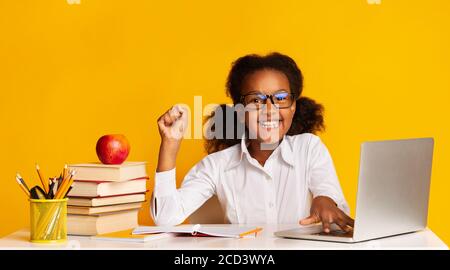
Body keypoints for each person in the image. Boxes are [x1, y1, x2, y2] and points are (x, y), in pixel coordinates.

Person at [152, 52, 354, 233]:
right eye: (256, 100)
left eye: (281, 97)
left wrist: (325, 201)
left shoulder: (309, 148)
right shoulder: (217, 166)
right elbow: (165, 218)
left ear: (293, 107)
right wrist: (170, 144)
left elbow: (331, 200)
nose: (269, 108)